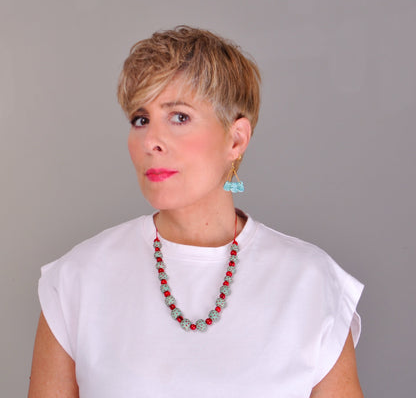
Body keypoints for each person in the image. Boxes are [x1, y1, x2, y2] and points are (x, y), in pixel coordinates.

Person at [28, 26, 364, 397]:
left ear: (236, 139)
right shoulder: (77, 279)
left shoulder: (312, 284)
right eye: (141, 119)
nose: (151, 141)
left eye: (179, 117)